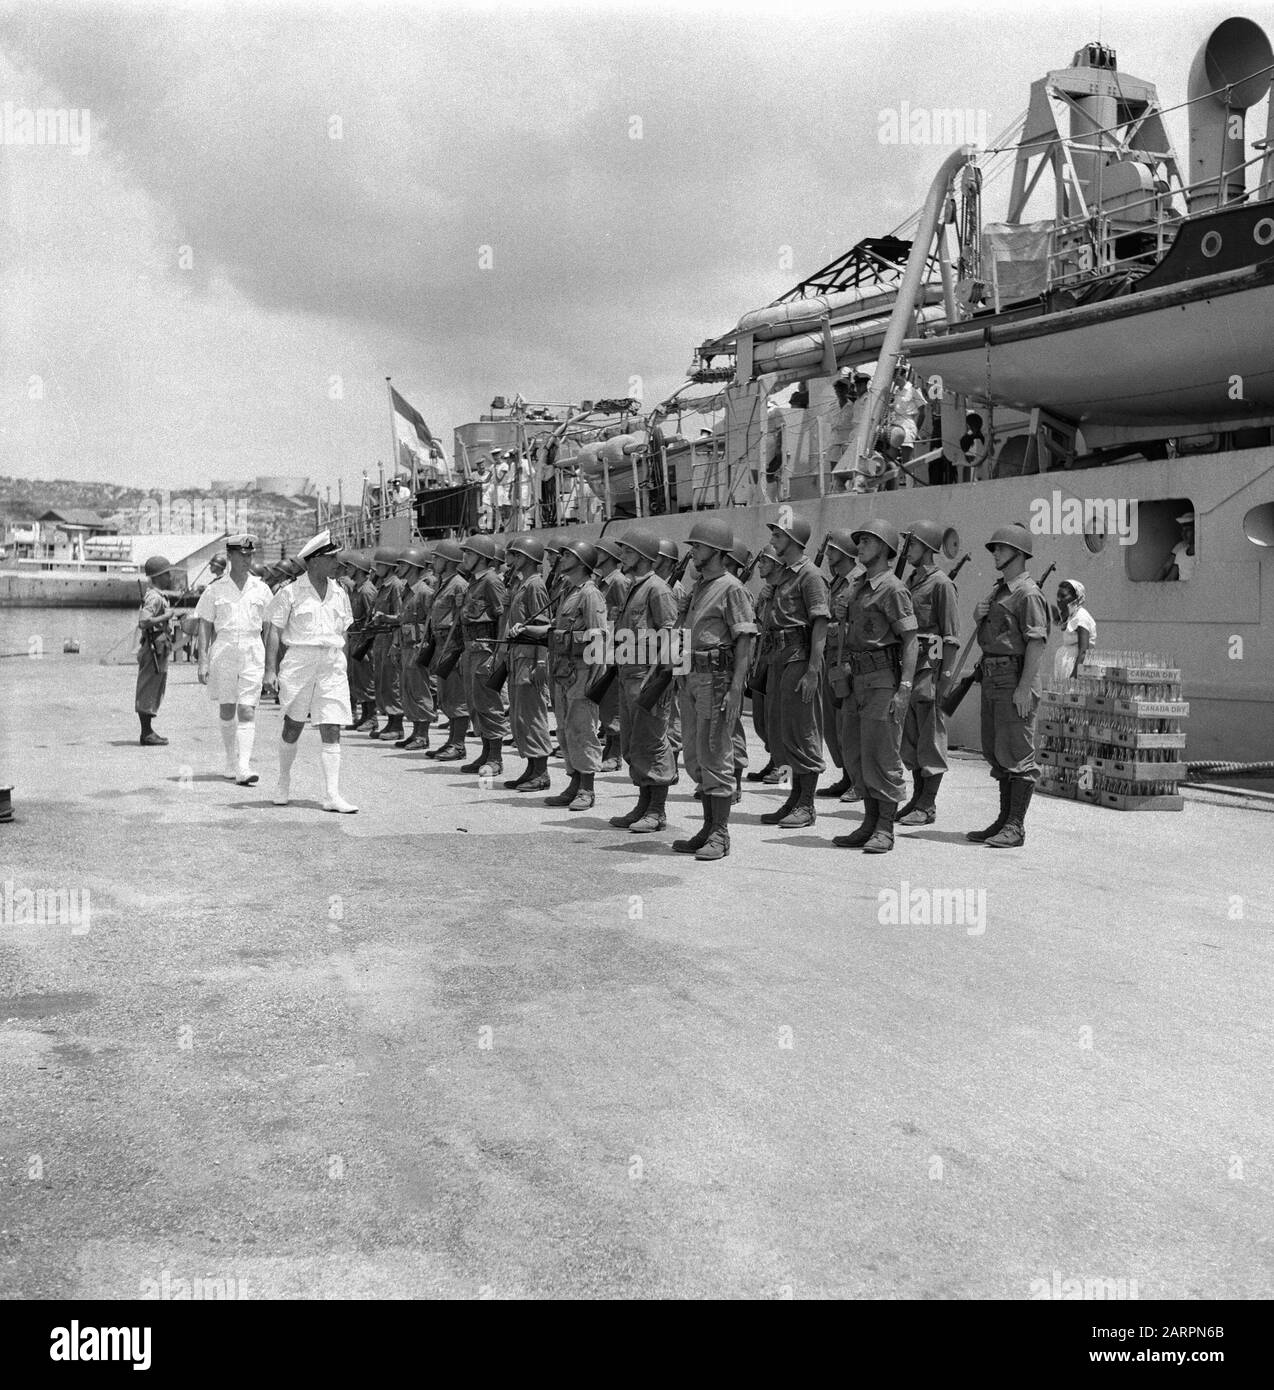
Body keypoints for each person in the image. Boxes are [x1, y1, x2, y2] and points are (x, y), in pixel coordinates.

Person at [829, 520, 918, 853]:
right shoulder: (858, 587)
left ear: (884, 547)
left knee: (882, 753)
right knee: (855, 751)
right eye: (860, 540)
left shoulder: (893, 588)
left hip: (882, 679)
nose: (860, 546)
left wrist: (905, 685)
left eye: (867, 541)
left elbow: (910, 639)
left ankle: (884, 828)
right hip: (855, 679)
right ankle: (868, 822)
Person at [674, 520, 756, 860]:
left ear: (717, 551)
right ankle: (707, 828)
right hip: (692, 676)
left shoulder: (730, 587)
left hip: (716, 680)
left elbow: (745, 639)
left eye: (698, 546)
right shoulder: (700, 587)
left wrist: (736, 688)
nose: (692, 550)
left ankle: (720, 834)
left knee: (715, 752)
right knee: (695, 754)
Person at [967, 523, 1050, 849]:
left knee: (1018, 753)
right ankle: (1003, 821)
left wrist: (1023, 688)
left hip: (1014, 679)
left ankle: (1015, 827)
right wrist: (978, 617)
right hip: (993, 677)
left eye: (1000, 548)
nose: (995, 553)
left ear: (1018, 553)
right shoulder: (1001, 590)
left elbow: (1037, 643)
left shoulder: (1028, 594)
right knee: (998, 751)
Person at [263, 529, 358, 813]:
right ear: (314, 560)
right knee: (293, 725)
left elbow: (345, 633)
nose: (336, 564)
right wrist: (270, 670)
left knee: (332, 725)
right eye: (331, 558)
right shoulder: (290, 592)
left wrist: (345, 668)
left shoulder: (340, 592)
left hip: (331, 664)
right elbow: (274, 631)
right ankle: (283, 781)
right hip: (300, 662)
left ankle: (331, 795)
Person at [608, 527, 678, 834]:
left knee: (652, 742)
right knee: (633, 743)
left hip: (649, 678)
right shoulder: (632, 587)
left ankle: (657, 810)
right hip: (628, 675)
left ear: (643, 556)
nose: (622, 555)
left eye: (627, 551)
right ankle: (642, 803)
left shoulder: (657, 589)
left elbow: (671, 636)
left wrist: (661, 681)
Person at [759, 515, 829, 828]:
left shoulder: (810, 575)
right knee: (782, 734)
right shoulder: (784, 576)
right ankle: (792, 798)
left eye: (778, 533)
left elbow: (820, 624)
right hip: (779, 659)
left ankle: (807, 804)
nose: (773, 536)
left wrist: (813, 670)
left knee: (803, 732)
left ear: (793, 538)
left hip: (800, 658)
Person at [530, 540, 604, 811]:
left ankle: (587, 788)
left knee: (582, 729)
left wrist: (594, 680)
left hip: (582, 671)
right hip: (563, 670)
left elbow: (598, 637)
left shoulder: (590, 594)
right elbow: (557, 629)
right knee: (564, 730)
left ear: (582, 562)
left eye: (568, 555)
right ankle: (574, 782)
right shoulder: (567, 592)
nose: (561, 558)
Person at [194, 533, 273, 785]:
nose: (247, 559)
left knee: (247, 708)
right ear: (230, 556)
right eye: (242, 555)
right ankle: (230, 760)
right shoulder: (214, 589)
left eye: (250, 554)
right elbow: (205, 625)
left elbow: (270, 626)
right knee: (227, 707)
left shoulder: (261, 588)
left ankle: (244, 765)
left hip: (252, 648)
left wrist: (272, 666)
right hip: (225, 649)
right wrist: (203, 661)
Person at [897, 521, 960, 825]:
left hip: (929, 668)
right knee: (910, 737)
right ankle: (916, 799)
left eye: (912, 544)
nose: (907, 550)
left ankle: (928, 804)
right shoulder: (910, 582)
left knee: (930, 738)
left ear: (927, 547)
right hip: (909, 666)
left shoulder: (941, 584)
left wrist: (944, 676)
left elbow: (949, 637)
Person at [448, 534, 510, 776]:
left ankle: (496, 758)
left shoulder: (491, 581)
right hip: (471, 648)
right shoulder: (473, 582)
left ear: (483, 558)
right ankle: (485, 752)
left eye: (470, 554)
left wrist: (499, 653)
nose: (465, 557)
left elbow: (502, 616)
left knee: (488, 703)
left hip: (486, 649)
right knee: (474, 704)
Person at [502, 535, 554, 792]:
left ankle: (542, 773)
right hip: (519, 657)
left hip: (531, 659)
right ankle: (532, 768)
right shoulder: (523, 585)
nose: (512, 559)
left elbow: (544, 627)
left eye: (517, 555)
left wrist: (541, 664)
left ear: (528, 558)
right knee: (521, 716)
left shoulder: (535, 586)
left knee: (533, 716)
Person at [817, 530, 859, 801]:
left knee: (850, 726)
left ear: (844, 553)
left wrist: (828, 629)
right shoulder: (835, 583)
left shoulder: (857, 583)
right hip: (831, 662)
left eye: (832, 550)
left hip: (850, 663)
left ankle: (860, 780)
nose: (828, 555)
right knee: (833, 728)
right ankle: (847, 776)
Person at [424, 540, 471, 761]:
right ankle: (452, 741)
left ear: (449, 561)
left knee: (456, 696)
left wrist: (457, 650)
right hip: (441, 643)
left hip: (453, 646)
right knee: (446, 695)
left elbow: (462, 619)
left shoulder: (459, 584)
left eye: (437, 558)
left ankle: (459, 745)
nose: (434, 562)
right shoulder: (445, 583)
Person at [744, 543, 785, 786]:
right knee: (762, 722)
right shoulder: (765, 592)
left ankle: (785, 771)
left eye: (765, 561)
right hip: (763, 660)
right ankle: (774, 759)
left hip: (781, 663)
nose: (760, 565)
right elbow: (757, 625)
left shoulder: (788, 590)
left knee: (780, 722)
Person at [592, 537, 630, 772]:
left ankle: (615, 753)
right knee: (604, 700)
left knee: (611, 702)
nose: (595, 554)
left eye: (599, 551)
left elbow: (625, 616)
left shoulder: (617, 581)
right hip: (601, 645)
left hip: (614, 648)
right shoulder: (603, 581)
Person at [395, 544, 436, 749]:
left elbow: (432, 621)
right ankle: (415, 731)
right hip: (406, 646)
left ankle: (423, 735)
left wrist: (426, 645)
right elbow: (402, 620)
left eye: (402, 564)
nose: (399, 567)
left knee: (420, 690)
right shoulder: (406, 591)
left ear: (412, 566)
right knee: (408, 689)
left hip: (419, 647)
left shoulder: (424, 591)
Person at [135, 554, 178, 746]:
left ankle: (148, 731)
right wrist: (167, 615)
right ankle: (146, 733)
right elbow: (143, 621)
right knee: (148, 687)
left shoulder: (157, 596)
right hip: (153, 646)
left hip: (158, 646)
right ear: (159, 576)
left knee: (154, 687)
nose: (170, 577)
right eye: (167, 573)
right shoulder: (154, 597)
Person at [367, 546, 405, 742]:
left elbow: (401, 616)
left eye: (380, 564)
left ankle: (397, 724)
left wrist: (384, 617)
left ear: (389, 566)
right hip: (381, 639)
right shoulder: (383, 585)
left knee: (392, 683)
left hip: (392, 638)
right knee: (381, 682)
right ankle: (389, 722)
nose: (377, 568)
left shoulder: (396, 586)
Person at [343, 550, 378, 732]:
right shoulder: (357, 588)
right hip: (356, 638)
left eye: (349, 566)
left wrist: (366, 643)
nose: (346, 569)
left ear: (357, 568)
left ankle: (372, 717)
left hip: (365, 642)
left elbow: (371, 619)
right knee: (359, 680)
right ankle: (365, 716)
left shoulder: (366, 591)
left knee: (367, 680)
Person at [1053, 579, 1095, 681]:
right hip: (1067, 665)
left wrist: (1074, 677)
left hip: (1074, 668)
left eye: (1063, 596)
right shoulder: (1072, 616)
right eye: (1058, 596)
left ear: (1076, 598)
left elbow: (1084, 651)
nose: (1058, 600)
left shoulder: (1081, 617)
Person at [1157, 512, 1196, 581]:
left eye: (1188, 530)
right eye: (1183, 530)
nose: (1184, 534)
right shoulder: (1180, 552)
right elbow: (1170, 577)